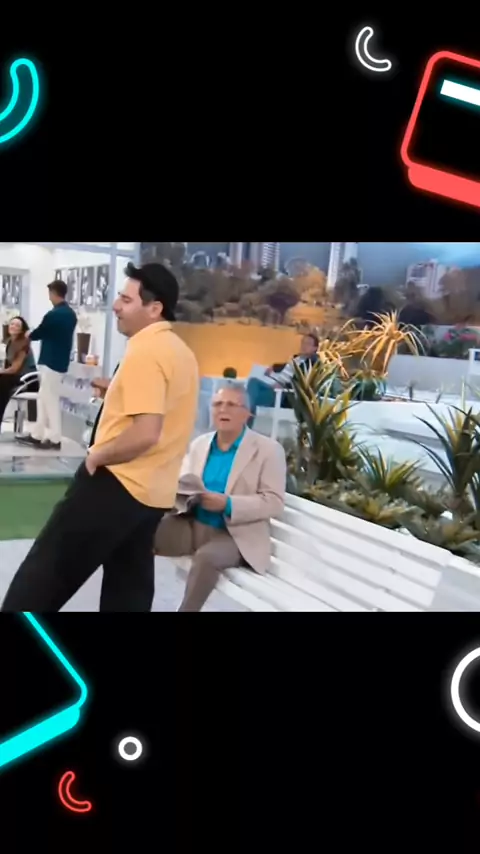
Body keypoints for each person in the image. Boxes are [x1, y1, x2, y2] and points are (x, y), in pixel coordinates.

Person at [2, 262, 199, 612]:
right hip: (153, 496)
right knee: (128, 595)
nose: (116, 306)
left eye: (126, 300)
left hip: (115, 485)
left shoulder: (146, 350)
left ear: (154, 308)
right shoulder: (181, 353)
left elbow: (146, 432)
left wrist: (97, 456)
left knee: (38, 585)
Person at [154, 382, 286, 612]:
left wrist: (229, 504)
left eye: (231, 404)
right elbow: (184, 484)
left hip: (235, 536)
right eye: (217, 404)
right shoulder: (200, 444)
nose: (223, 409)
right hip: (193, 524)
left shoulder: (268, 450)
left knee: (206, 559)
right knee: (140, 532)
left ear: (247, 413)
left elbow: (274, 502)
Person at [17, 280, 77, 450]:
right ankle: (37, 434)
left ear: (54, 293)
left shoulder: (54, 314)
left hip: (50, 362)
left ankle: (55, 438)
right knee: (43, 398)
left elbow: (40, 332)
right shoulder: (71, 314)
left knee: (50, 400)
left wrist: (29, 334)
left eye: (50, 294)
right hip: (60, 362)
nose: (49, 297)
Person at [246, 333, 319, 426]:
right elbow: (284, 365)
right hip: (274, 388)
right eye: (303, 342)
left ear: (315, 348)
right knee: (253, 382)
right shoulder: (297, 358)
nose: (304, 346)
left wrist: (284, 385)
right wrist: (274, 367)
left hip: (284, 394)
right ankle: (247, 415)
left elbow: (303, 383)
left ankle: (246, 420)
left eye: (308, 343)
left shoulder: (312, 364)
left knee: (249, 399)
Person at [0, 316, 38, 431]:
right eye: (12, 324)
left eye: (17, 325)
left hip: (28, 380)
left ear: (22, 330)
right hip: (15, 378)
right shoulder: (8, 342)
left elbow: (14, 368)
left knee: (2, 385)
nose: (13, 326)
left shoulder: (24, 344)